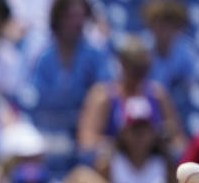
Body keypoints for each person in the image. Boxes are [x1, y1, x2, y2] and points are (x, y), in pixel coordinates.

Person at [56, 95, 179, 183]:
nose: (139, 135)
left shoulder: (165, 164)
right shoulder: (109, 162)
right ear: (124, 132)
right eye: (134, 129)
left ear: (153, 133)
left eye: (144, 129)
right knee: (81, 175)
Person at [77, 35, 185, 163]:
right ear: (122, 64)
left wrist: (161, 142)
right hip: (113, 170)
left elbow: (180, 141)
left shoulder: (157, 95)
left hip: (153, 170)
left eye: (144, 69)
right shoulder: (103, 96)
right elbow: (86, 141)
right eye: (135, 68)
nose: (140, 75)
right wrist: (124, 146)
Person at [28, 0, 112, 131]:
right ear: (59, 18)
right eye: (71, 17)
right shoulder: (45, 57)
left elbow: (105, 89)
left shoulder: (94, 55)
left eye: (81, 17)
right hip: (50, 125)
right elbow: (38, 95)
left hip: (88, 124)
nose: (77, 23)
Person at [141, 0, 197, 102]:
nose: (161, 29)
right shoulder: (141, 48)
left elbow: (191, 87)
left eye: (166, 24)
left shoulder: (186, 52)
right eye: (156, 23)